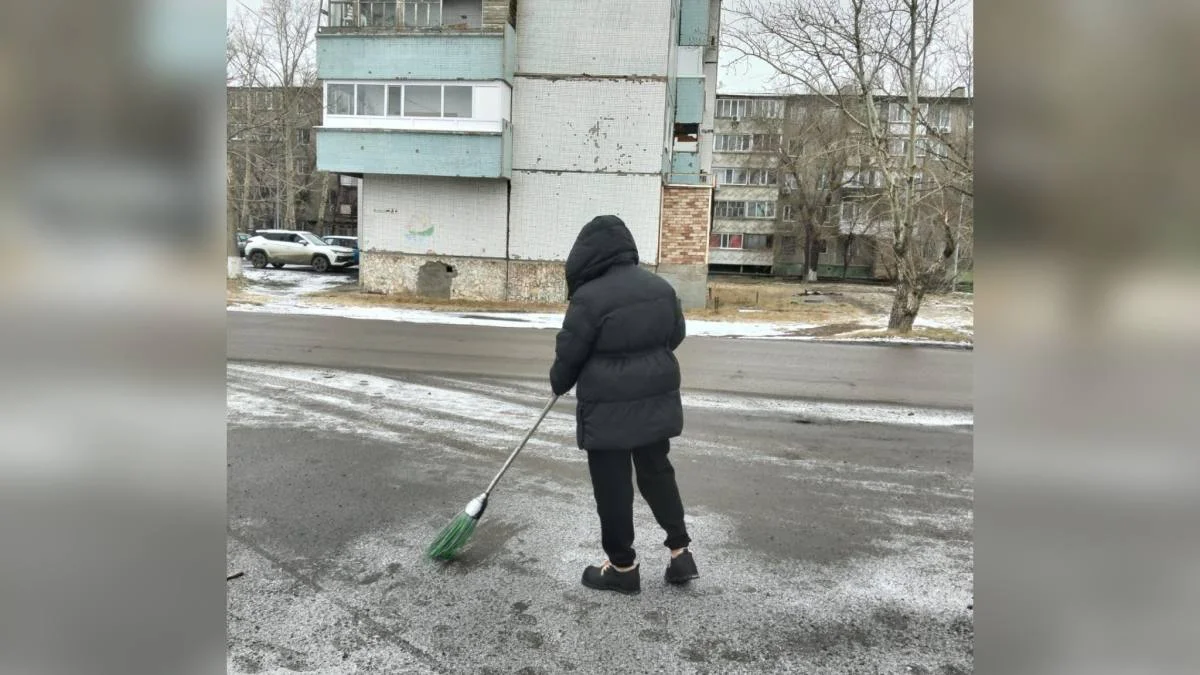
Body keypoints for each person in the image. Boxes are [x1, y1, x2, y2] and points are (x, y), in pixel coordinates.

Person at [549, 215, 699, 595]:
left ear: (587, 255)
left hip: (608, 412)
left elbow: (570, 354)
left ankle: (622, 566)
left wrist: (560, 381)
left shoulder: (589, 298)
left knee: (613, 487)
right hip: (654, 403)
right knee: (657, 472)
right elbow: (675, 335)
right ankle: (680, 552)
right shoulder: (660, 288)